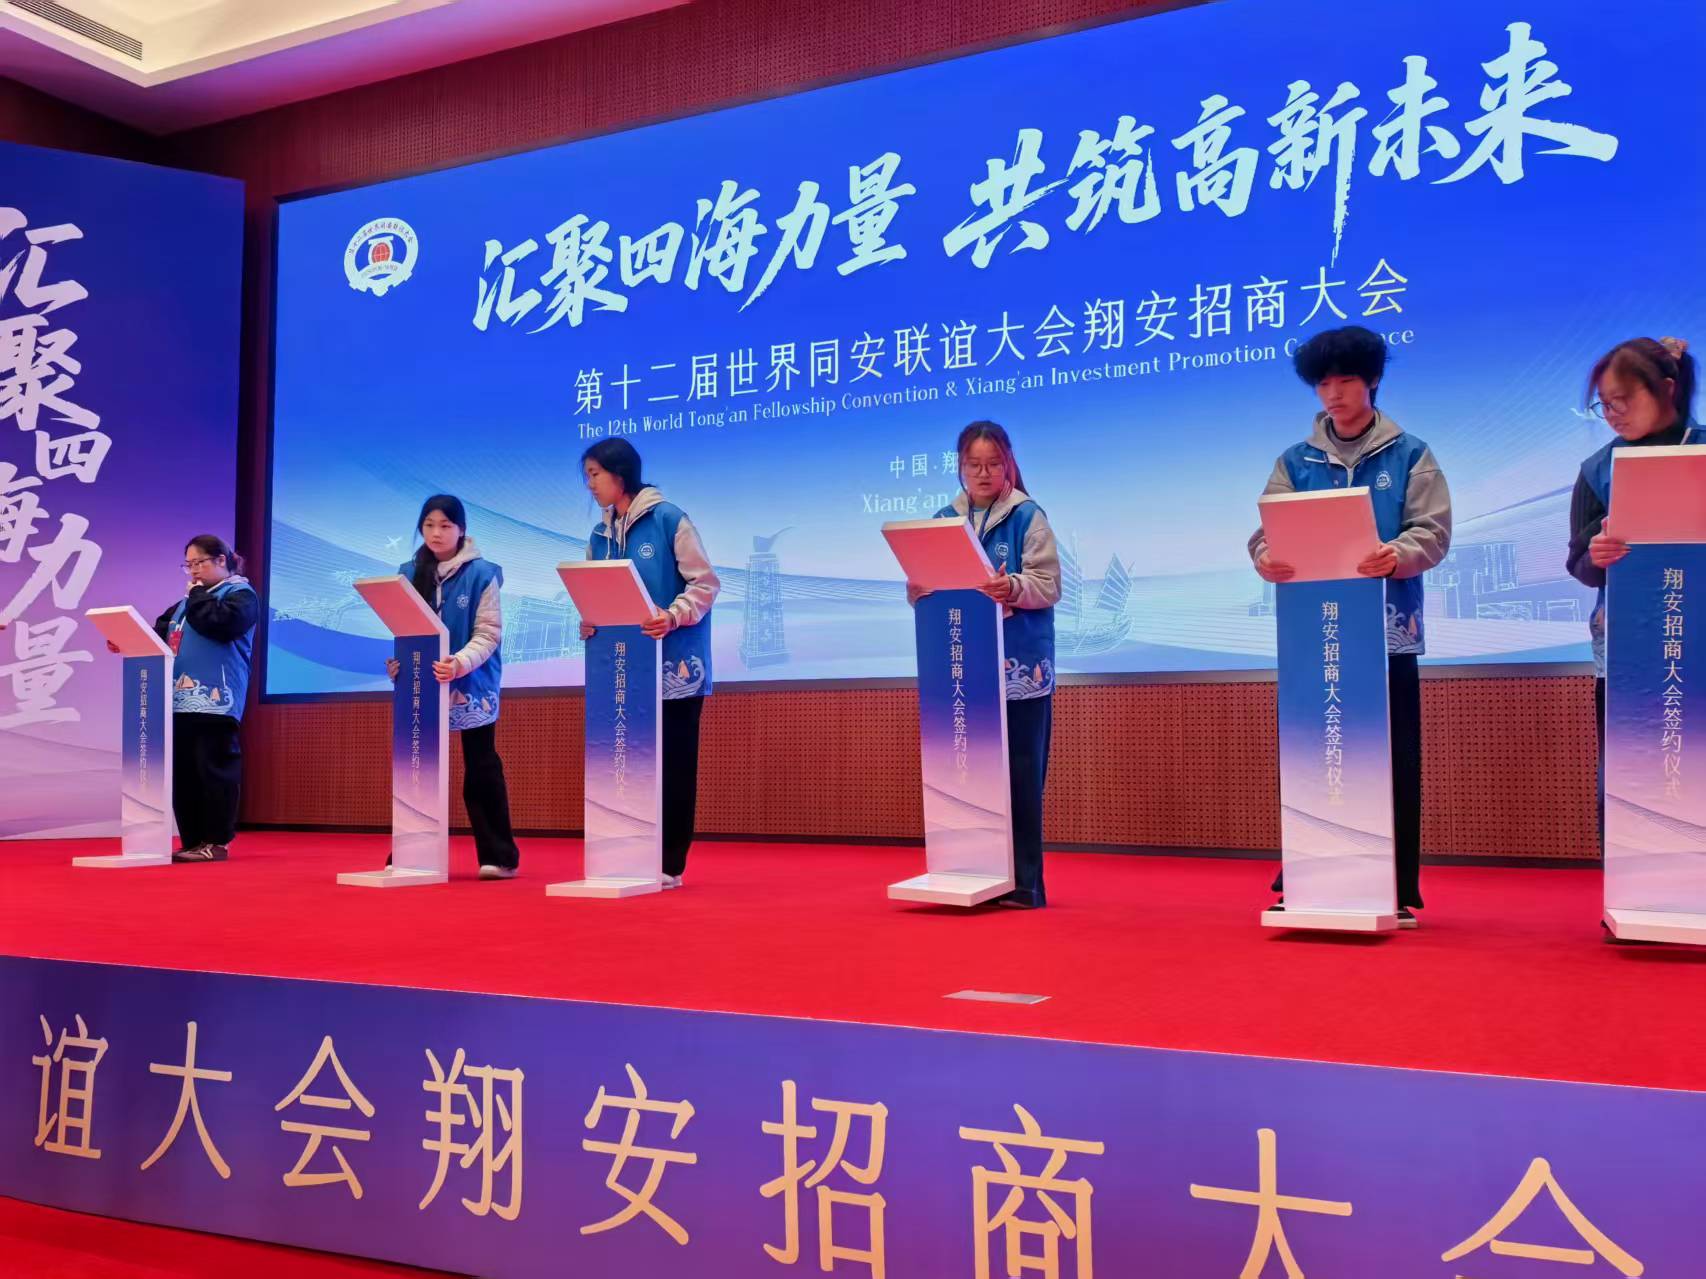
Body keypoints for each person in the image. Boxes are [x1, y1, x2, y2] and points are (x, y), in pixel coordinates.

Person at [1248, 326, 1452, 926]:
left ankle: (1396, 888)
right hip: (1314, 635)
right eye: (1323, 383)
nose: (1333, 393)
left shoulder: (1411, 454)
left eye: (1345, 380)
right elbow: (1265, 533)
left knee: (1391, 758)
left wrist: (1397, 553)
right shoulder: (1294, 462)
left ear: (1373, 381)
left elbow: (1433, 531)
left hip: (1386, 632)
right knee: (1312, 753)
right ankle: (1306, 878)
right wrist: (1265, 557)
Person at [908, 421, 1061, 909]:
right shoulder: (941, 521)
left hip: (1019, 670)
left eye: (993, 464)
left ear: (1008, 463)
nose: (983, 473)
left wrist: (1011, 587)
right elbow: (929, 584)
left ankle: (1025, 885)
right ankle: (972, 873)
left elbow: (1049, 585)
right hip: (963, 671)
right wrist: (918, 591)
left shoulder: (1027, 515)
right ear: (959, 466)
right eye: (974, 465)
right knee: (967, 777)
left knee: (1020, 777)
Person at [579, 439, 720, 889]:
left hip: (675, 666)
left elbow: (705, 585)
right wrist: (590, 620)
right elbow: (598, 595)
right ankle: (626, 851)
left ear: (620, 473)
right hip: (623, 672)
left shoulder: (669, 520)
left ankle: (668, 862)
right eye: (587, 476)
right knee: (627, 762)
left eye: (595, 474)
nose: (590, 485)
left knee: (674, 763)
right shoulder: (598, 537)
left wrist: (672, 615)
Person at [1566, 336, 1699, 756]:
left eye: (1622, 400)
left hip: (1696, 637)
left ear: (1667, 388)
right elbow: (1579, 564)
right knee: (1630, 771)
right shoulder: (1597, 469)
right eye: (1604, 404)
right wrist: (1596, 557)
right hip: (1628, 652)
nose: (1612, 414)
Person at [386, 495, 521, 879]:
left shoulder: (482, 573)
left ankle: (499, 856)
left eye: (445, 525)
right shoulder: (407, 572)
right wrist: (398, 662)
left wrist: (459, 662)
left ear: (461, 529)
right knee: (418, 765)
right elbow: (405, 628)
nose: (436, 533)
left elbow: (489, 633)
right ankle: (410, 851)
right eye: (429, 525)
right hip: (422, 681)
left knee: (480, 765)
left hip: (471, 680)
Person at [135, 535, 258, 863]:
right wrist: (128, 640)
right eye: (188, 565)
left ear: (221, 560)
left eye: (199, 563)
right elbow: (158, 635)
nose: (193, 571)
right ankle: (192, 840)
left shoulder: (240, 595)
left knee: (213, 769)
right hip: (177, 700)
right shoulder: (184, 603)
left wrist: (198, 594)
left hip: (216, 701)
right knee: (184, 773)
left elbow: (219, 625)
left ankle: (216, 842)